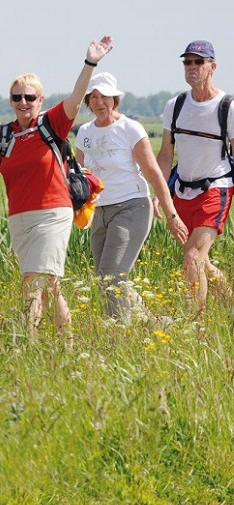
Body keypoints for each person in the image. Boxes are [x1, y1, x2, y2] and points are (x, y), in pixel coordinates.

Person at [0, 36, 114, 338]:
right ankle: (68, 345)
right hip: (19, 218)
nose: (23, 102)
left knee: (32, 281)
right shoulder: (4, 137)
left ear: (40, 100)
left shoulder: (52, 123)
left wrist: (90, 62)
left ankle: (27, 344)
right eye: (17, 97)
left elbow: (77, 98)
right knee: (48, 283)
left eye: (30, 97)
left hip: (52, 214)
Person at [76, 73, 187, 321]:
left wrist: (171, 214)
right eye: (93, 97)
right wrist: (79, 209)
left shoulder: (129, 128)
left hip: (131, 207)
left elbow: (153, 172)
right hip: (99, 213)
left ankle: (118, 333)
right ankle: (155, 323)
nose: (99, 102)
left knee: (112, 275)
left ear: (115, 100)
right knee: (105, 279)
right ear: (88, 102)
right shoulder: (84, 132)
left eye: (104, 96)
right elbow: (81, 177)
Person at [155, 40, 234, 312]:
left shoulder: (228, 107)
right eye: (187, 62)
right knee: (200, 261)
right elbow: (165, 155)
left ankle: (197, 326)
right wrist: (159, 193)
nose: (192, 67)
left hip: (216, 188)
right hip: (181, 191)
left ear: (212, 66)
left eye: (198, 62)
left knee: (193, 256)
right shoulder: (175, 105)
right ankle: (229, 305)